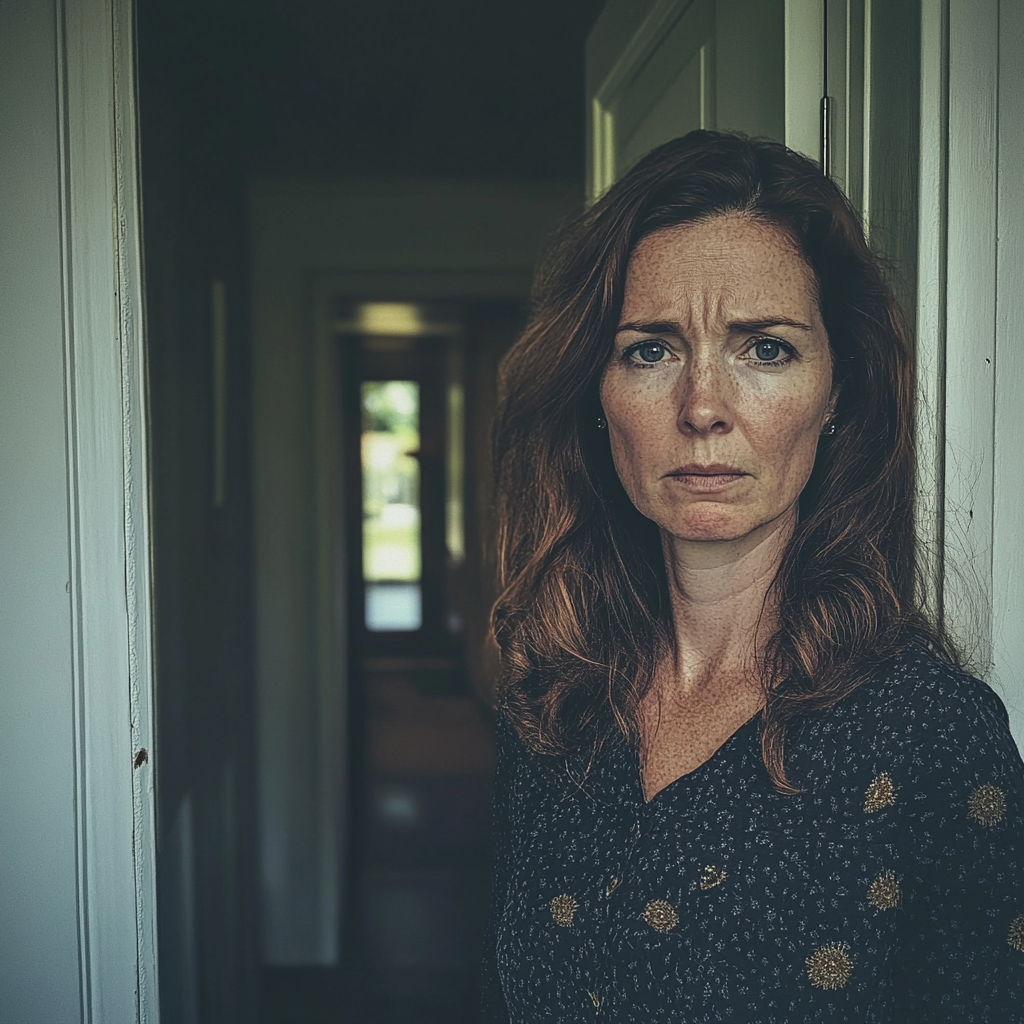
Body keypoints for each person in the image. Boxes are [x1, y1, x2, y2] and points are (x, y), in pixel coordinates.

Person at [480, 130, 1024, 1023]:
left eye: (764, 349)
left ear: (837, 390)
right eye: (650, 349)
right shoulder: (551, 706)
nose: (702, 408)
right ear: (596, 389)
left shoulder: (930, 738)